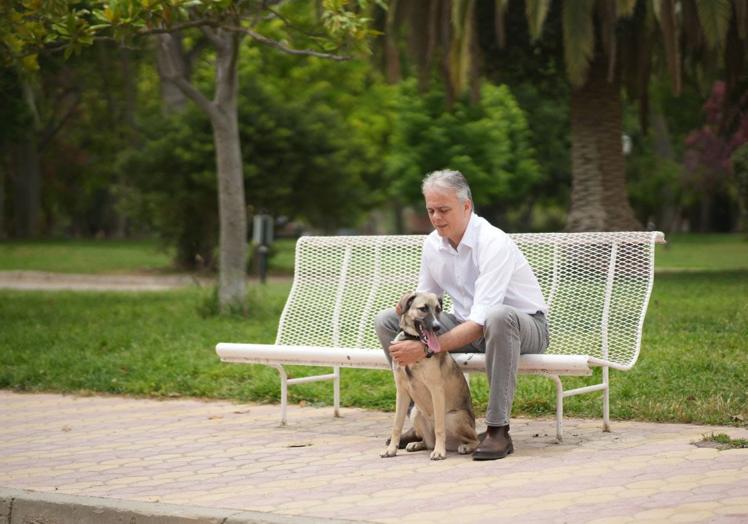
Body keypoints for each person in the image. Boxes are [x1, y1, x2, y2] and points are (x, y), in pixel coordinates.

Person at [374, 169, 549, 460]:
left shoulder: (493, 242)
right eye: (431, 210)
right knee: (388, 322)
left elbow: (482, 321)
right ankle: (422, 421)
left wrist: (426, 347)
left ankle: (497, 430)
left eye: (444, 209)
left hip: (520, 327)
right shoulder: (433, 243)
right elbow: (427, 298)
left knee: (498, 317)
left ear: (467, 206)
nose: (436, 217)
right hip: (467, 322)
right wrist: (407, 310)